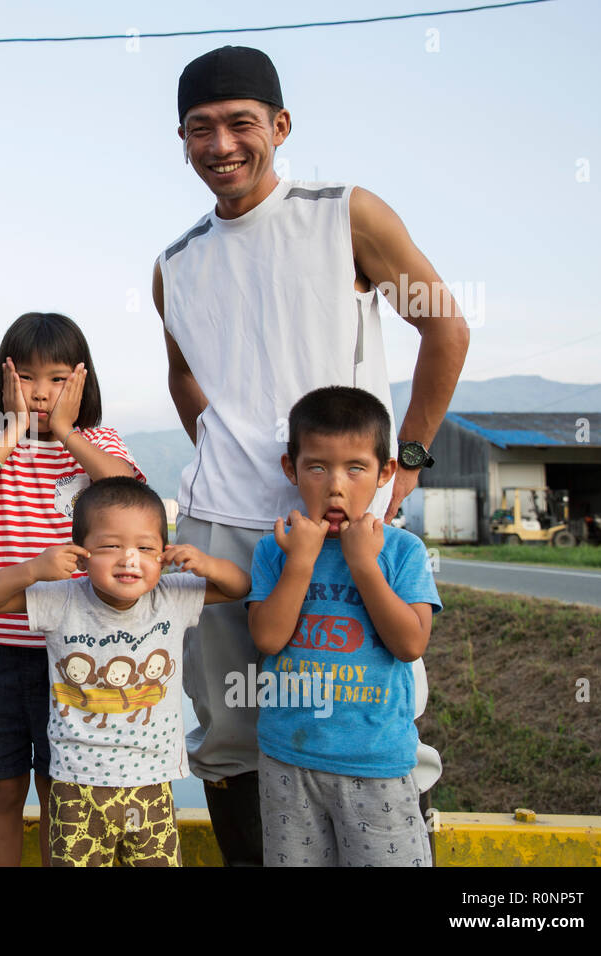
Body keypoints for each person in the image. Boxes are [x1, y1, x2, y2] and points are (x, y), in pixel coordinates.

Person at [152, 45, 469, 865]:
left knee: (375, 715)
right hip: (224, 524)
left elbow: (445, 326)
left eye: (240, 123)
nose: (220, 144)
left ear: (280, 127)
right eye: (200, 129)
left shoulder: (344, 213)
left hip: (341, 521)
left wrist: (405, 468)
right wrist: (222, 451)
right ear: (181, 139)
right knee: (228, 728)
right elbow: (186, 375)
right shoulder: (173, 265)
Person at [0, 313, 143, 866]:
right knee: (4, 789)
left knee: (63, 789)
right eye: (27, 377)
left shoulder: (95, 441)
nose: (41, 392)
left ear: (82, 381)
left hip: (76, 648)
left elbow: (126, 493)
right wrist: (11, 432)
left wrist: (63, 431)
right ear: (4, 379)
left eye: (58, 378)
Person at [0, 477, 250, 866]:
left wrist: (209, 564)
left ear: (162, 554)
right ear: (81, 554)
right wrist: (34, 568)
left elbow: (240, 587)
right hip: (77, 785)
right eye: (110, 546)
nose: (129, 559)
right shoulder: (63, 598)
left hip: (151, 782)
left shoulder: (173, 596)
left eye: (145, 547)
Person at [247, 387, 440, 866]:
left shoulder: (401, 551)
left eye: (356, 468)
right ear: (290, 468)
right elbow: (268, 638)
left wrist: (364, 565)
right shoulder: (275, 549)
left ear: (385, 473)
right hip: (288, 761)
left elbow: (410, 643)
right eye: (317, 467)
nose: (336, 485)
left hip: (376, 763)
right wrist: (301, 562)